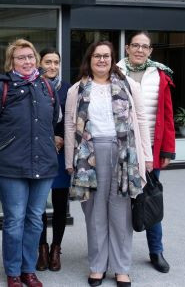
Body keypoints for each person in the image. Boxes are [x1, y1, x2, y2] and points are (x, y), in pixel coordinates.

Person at [64, 41, 152, 287]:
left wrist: (147, 155)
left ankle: (121, 268)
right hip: (88, 156)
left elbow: (142, 120)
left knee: (121, 213)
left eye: (106, 56)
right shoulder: (77, 90)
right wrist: (70, 159)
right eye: (97, 56)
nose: (101, 60)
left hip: (123, 154)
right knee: (94, 214)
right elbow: (70, 126)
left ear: (113, 59)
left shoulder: (129, 85)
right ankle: (97, 266)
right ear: (89, 59)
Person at [0, 39, 60, 287]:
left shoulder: (46, 86)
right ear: (11, 62)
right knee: (14, 219)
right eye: (21, 58)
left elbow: (52, 120)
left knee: (35, 218)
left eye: (30, 57)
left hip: (44, 164)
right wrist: (6, 148)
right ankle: (13, 272)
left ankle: (29, 269)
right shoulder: (2, 88)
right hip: (10, 167)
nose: (27, 61)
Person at [116, 31, 175, 273]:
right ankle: (118, 254)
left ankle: (156, 251)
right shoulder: (114, 72)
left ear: (150, 51)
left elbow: (168, 115)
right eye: (135, 45)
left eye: (145, 46)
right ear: (127, 48)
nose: (140, 50)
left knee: (151, 200)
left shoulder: (160, 75)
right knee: (120, 204)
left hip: (151, 148)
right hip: (120, 148)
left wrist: (168, 150)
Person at [35, 48, 71, 272]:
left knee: (60, 204)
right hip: (39, 152)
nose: (52, 66)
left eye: (56, 62)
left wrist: (62, 138)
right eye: (48, 62)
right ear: (40, 63)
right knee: (38, 204)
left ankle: (56, 247)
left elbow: (74, 117)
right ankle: (41, 248)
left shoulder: (68, 88)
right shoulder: (34, 86)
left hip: (61, 152)